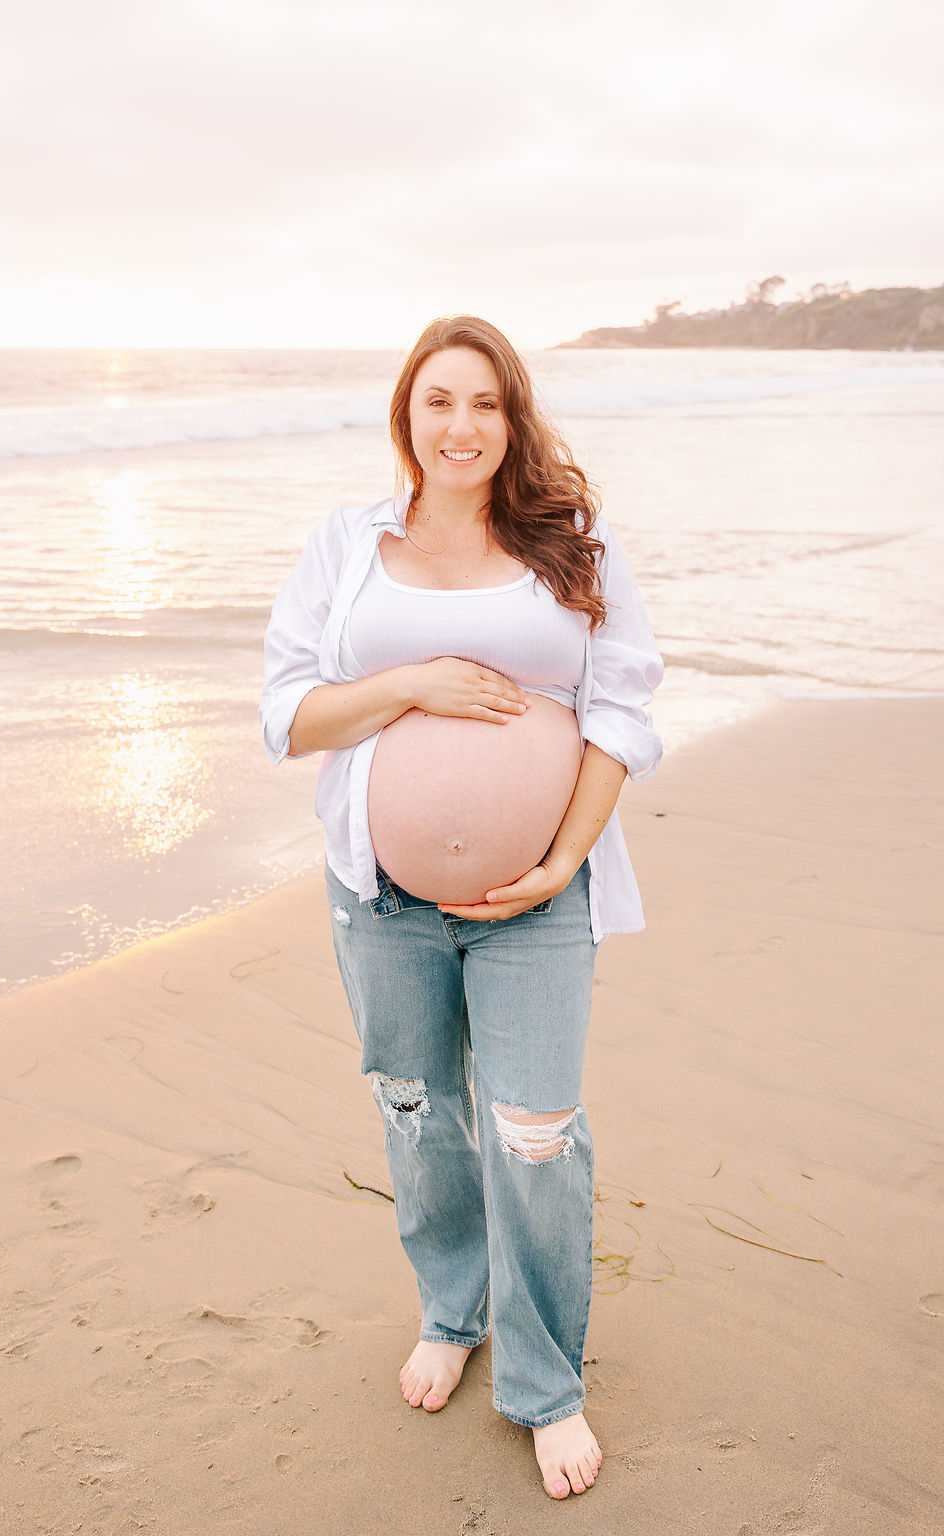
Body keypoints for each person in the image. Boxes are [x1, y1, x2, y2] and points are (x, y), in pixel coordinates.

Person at [260, 316, 662, 1500]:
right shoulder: (346, 545)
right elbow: (286, 712)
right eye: (438, 401)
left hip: (536, 898)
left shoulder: (570, 551)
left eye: (485, 404)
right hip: (379, 898)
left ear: (513, 418)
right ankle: (453, 1309)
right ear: (406, 413)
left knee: (535, 1133)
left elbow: (624, 712)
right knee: (419, 1114)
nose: (460, 427)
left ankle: (543, 1384)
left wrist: (560, 859)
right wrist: (408, 686)